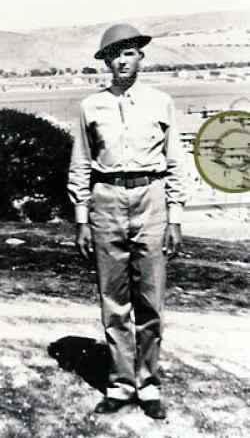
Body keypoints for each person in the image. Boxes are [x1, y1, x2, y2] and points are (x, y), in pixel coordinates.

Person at [67, 24, 186, 419]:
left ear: (140, 57)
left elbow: (174, 163)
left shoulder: (161, 102)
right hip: (105, 201)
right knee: (113, 300)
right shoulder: (90, 106)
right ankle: (120, 385)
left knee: (150, 300)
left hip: (150, 198)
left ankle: (148, 385)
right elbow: (81, 164)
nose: (122, 61)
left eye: (129, 52)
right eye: (115, 54)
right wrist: (82, 219)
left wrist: (175, 217)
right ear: (106, 61)